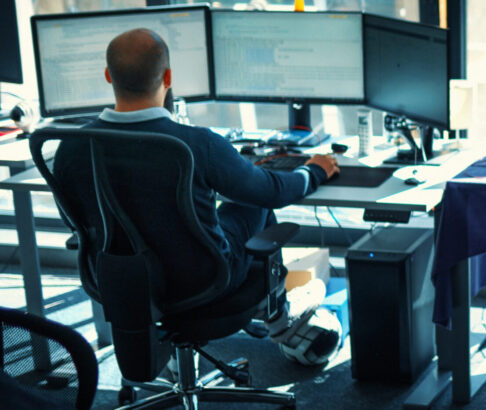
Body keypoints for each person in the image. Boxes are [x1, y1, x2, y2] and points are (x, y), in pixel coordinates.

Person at [52, 28, 341, 364]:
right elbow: (271, 191)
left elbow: (76, 221)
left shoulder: (70, 146)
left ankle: (252, 322)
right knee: (252, 201)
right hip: (204, 281)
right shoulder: (196, 143)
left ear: (108, 76)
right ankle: (278, 317)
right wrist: (315, 170)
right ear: (168, 77)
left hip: (119, 280)